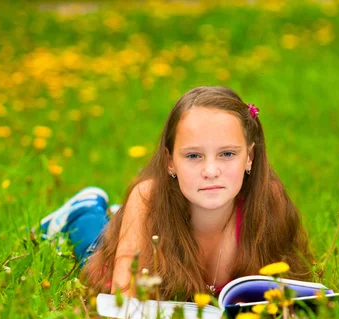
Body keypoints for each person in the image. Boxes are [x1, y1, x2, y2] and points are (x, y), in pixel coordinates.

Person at [40, 86, 316, 301]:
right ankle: (83, 210)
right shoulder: (147, 198)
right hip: (142, 237)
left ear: (250, 157)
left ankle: (116, 216)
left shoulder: (266, 199)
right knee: (95, 253)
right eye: (194, 155)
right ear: (170, 161)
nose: (210, 171)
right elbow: (123, 301)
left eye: (227, 154)